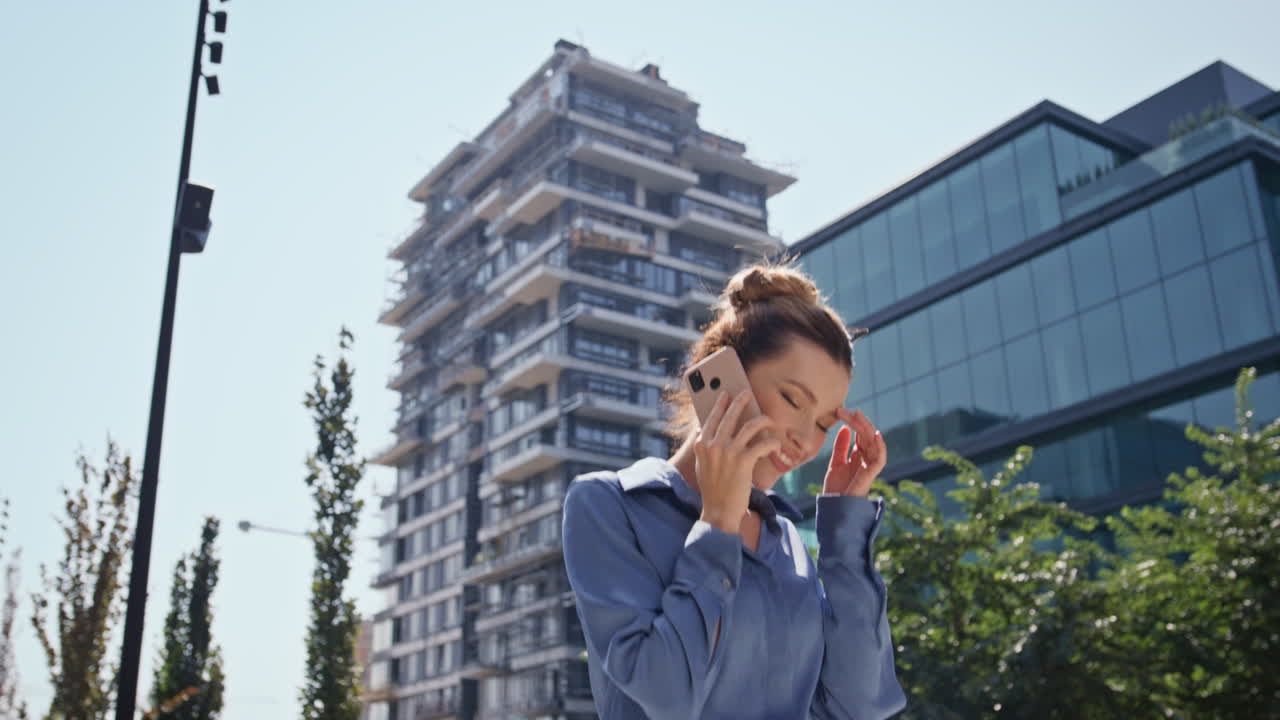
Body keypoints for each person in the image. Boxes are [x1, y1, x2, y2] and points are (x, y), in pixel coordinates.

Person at [562, 261, 906, 719]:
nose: (806, 439)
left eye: (824, 423)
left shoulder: (785, 544)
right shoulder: (609, 506)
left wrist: (844, 537)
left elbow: (860, 706)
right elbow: (666, 693)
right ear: (723, 377)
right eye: (792, 400)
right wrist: (718, 525)